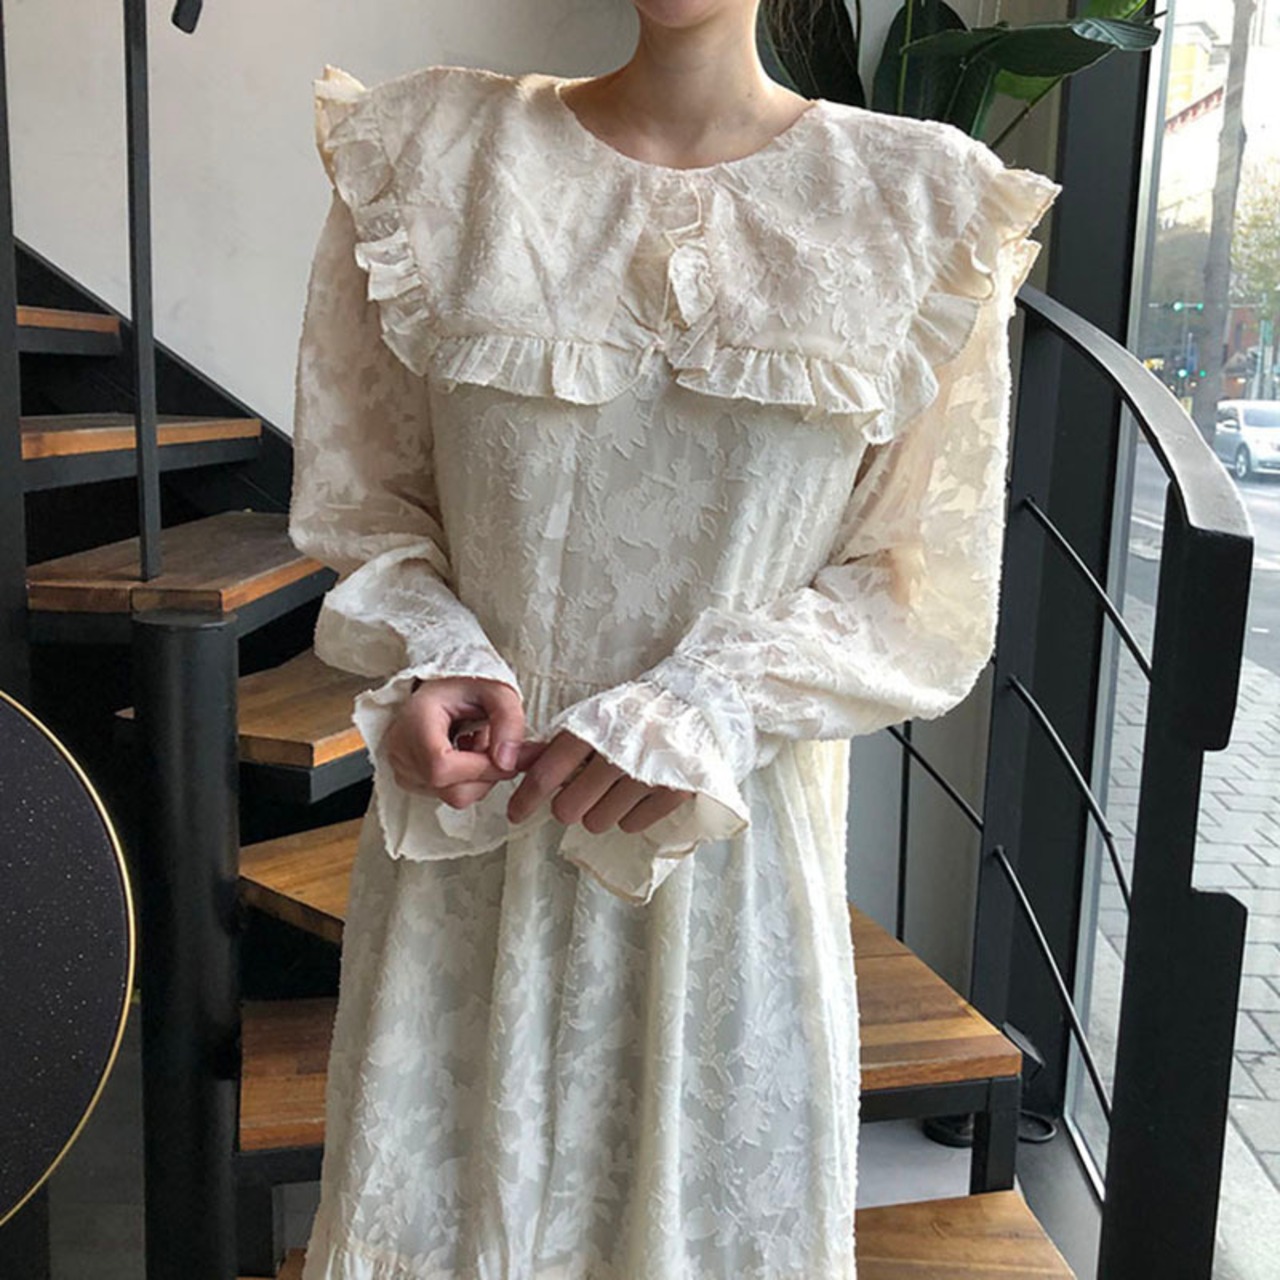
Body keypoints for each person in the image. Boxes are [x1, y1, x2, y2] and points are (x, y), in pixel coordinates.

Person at [288, 2, 1062, 1276]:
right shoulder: (435, 157)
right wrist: (435, 650)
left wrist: (704, 705)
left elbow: (916, 589)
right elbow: (366, 505)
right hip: (473, 861)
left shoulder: (914, 204)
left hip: (725, 872)